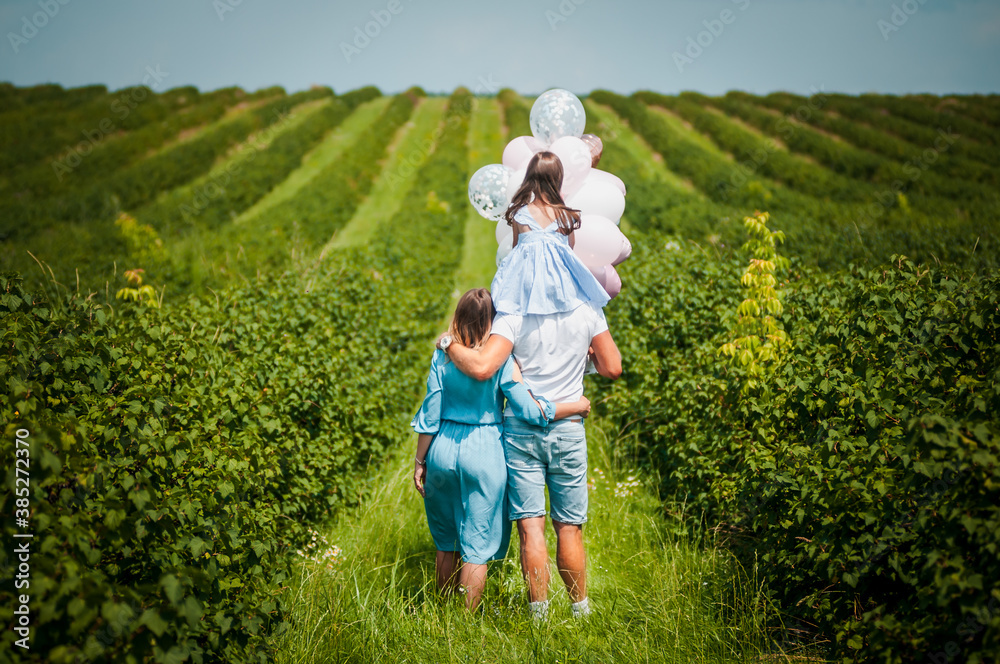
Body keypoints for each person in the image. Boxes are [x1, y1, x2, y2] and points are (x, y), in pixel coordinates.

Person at [411, 288, 591, 611]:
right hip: (484, 452)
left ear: (457, 317)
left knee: (446, 541)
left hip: (442, 449)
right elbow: (529, 409)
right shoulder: (502, 362)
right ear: (493, 324)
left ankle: (442, 614)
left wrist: (420, 461)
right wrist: (572, 406)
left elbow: (430, 412)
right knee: (477, 546)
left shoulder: (442, 355)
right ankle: (464, 622)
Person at [443, 295, 621, 620]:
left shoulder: (512, 313)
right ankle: (580, 611)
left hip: (521, 429)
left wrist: (448, 343)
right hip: (567, 426)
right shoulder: (585, 309)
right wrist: (583, 361)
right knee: (569, 527)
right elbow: (612, 367)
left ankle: (539, 615)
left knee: (531, 526)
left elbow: (486, 365)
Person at [491, 151, 610, 316]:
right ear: (558, 180)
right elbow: (570, 247)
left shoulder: (520, 214)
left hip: (529, 287)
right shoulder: (565, 216)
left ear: (530, 179)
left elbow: (516, 253)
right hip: (560, 286)